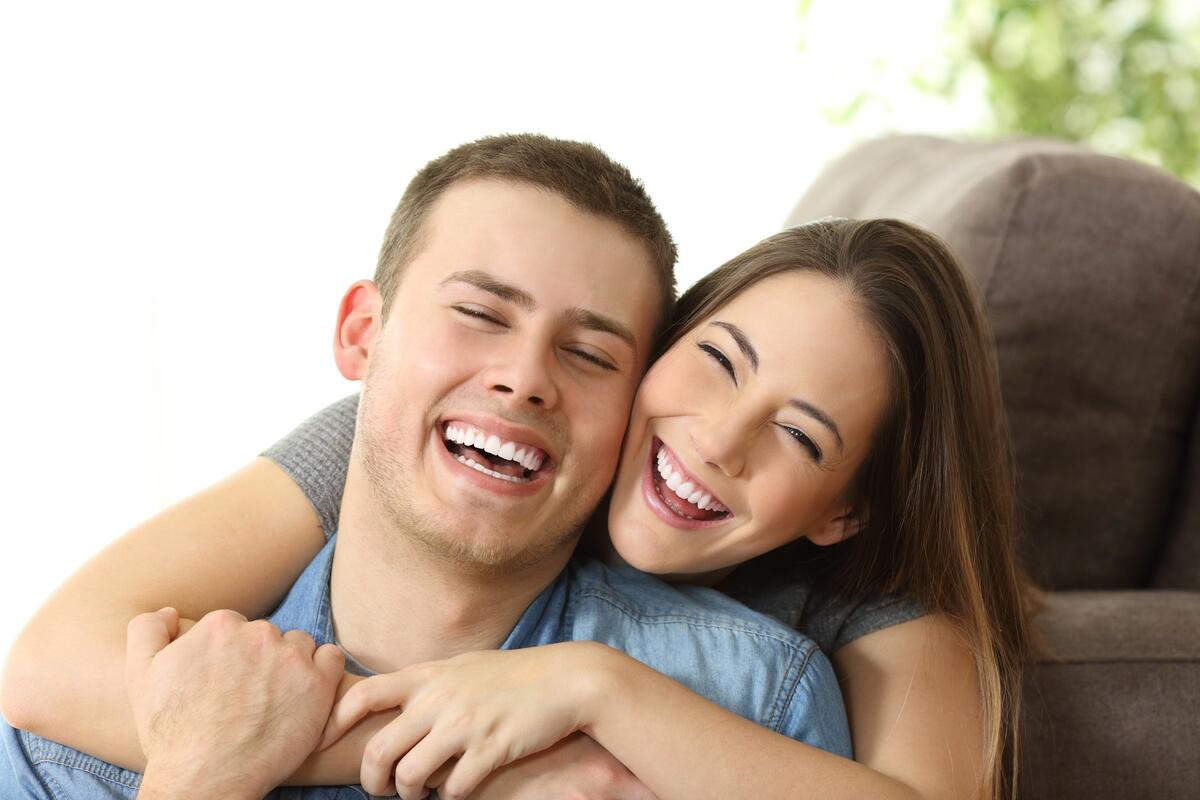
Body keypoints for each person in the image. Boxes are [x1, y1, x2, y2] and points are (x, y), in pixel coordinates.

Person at [3, 147, 1039, 800]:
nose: (523, 378)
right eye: (478, 313)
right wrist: (218, 759)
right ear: (364, 335)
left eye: (588, 352)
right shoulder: (126, 706)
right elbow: (45, 667)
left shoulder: (786, 671)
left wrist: (597, 692)